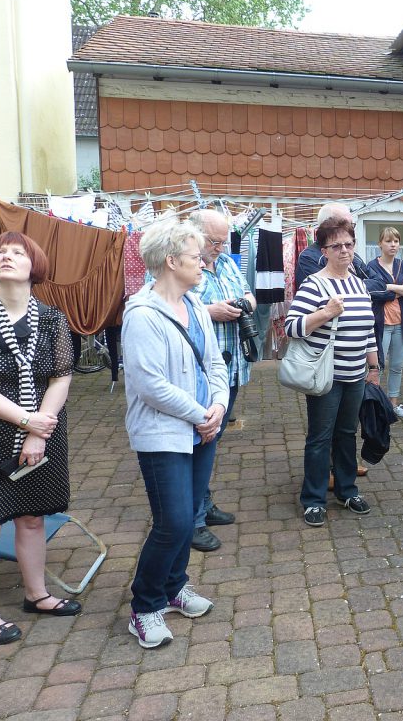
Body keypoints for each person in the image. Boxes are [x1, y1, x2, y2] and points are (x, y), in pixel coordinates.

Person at [0, 232, 80, 644]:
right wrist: (29, 422)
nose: (5, 257)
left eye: (16, 252)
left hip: (43, 429)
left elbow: (61, 377)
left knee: (32, 515)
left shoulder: (54, 319)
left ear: (34, 266)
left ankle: (36, 594)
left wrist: (40, 428)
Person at [122, 217, 228, 648]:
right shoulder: (142, 315)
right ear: (170, 261)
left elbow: (215, 363)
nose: (203, 263)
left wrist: (218, 405)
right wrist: (201, 413)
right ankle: (145, 606)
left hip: (202, 427)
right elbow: (150, 384)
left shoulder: (197, 305)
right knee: (173, 521)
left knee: (188, 522)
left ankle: (174, 587)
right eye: (195, 257)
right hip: (164, 433)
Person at [285, 217, 379, 528]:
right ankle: (313, 499)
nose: (344, 250)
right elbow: (291, 327)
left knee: (347, 435)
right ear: (324, 250)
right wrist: (325, 313)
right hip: (326, 377)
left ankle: (346, 489)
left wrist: (374, 365)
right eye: (336, 245)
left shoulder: (358, 282)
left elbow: (368, 329)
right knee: (320, 438)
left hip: (355, 375)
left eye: (349, 244)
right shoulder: (314, 284)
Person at [184, 209, 256, 552]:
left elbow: (247, 292)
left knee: (213, 440)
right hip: (202, 373)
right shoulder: (184, 265)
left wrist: (246, 303)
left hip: (232, 368)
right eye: (214, 240)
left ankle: (204, 504)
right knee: (200, 441)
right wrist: (212, 312)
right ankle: (193, 519)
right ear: (196, 235)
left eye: (223, 239)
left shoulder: (226, 262)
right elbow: (174, 308)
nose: (220, 246)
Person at [366, 227, 403, 418]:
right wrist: (400, 288)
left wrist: (389, 287)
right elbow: (373, 292)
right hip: (381, 325)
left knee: (397, 366)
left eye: (396, 241)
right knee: (377, 366)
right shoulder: (371, 266)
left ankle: (393, 404)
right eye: (388, 241)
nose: (393, 245)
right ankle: (374, 407)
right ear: (380, 243)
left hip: (400, 325)